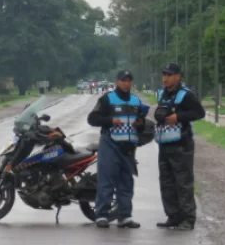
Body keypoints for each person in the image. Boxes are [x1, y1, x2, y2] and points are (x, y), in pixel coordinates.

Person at [87, 70, 147, 229]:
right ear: (117, 82)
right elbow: (92, 119)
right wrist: (110, 120)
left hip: (128, 147)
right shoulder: (107, 99)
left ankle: (125, 216)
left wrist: (140, 124)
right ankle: (102, 215)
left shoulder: (136, 101)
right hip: (110, 144)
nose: (126, 83)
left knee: (126, 182)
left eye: (129, 80)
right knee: (106, 180)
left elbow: (142, 126)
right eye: (123, 80)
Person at [154, 63, 205, 231]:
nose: (165, 78)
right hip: (164, 144)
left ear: (177, 77)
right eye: (164, 74)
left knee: (183, 182)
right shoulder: (162, 93)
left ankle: (188, 219)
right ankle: (173, 216)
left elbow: (199, 113)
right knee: (166, 182)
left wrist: (179, 117)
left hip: (181, 145)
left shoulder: (186, 95)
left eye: (169, 75)